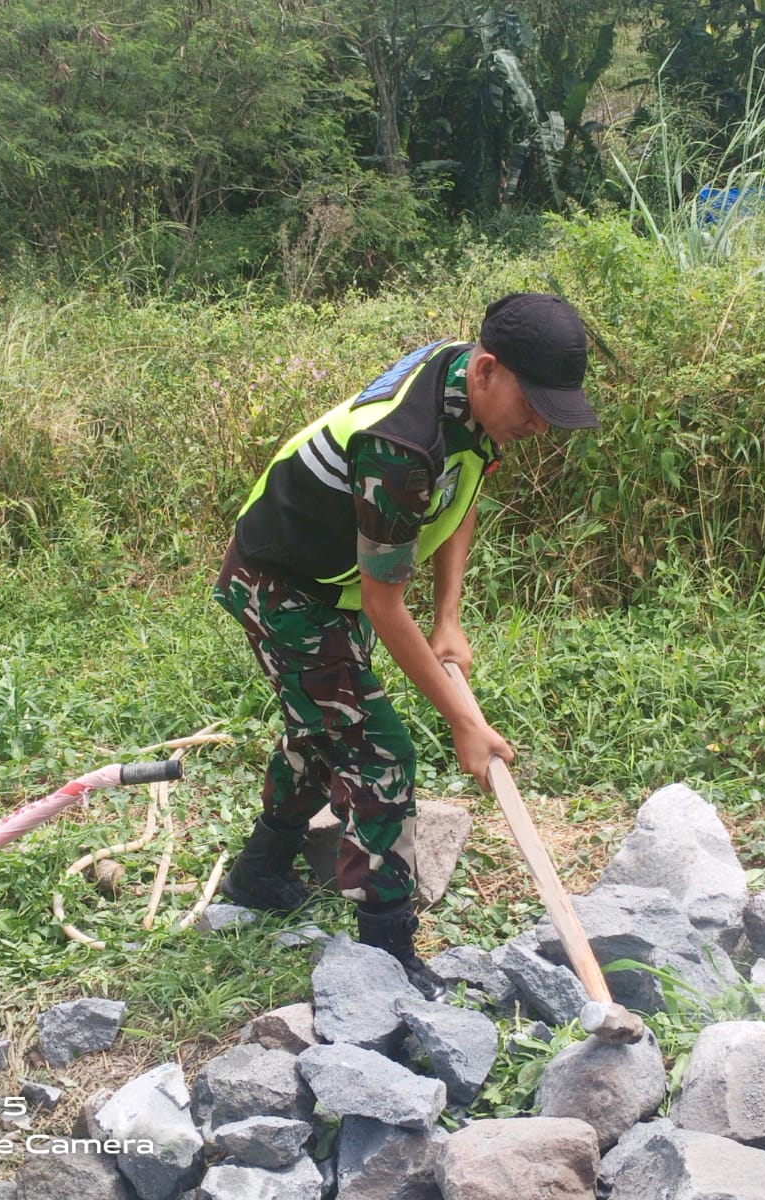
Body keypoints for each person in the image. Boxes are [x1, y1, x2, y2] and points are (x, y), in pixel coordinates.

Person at [213, 293, 597, 995]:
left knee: (325, 723)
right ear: (488, 370)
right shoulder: (401, 446)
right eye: (535, 403)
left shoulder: (470, 396)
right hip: (280, 584)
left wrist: (449, 616)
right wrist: (464, 723)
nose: (540, 423)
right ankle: (388, 952)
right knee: (380, 749)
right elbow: (388, 608)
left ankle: (259, 872)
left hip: (332, 581)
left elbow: (462, 493)